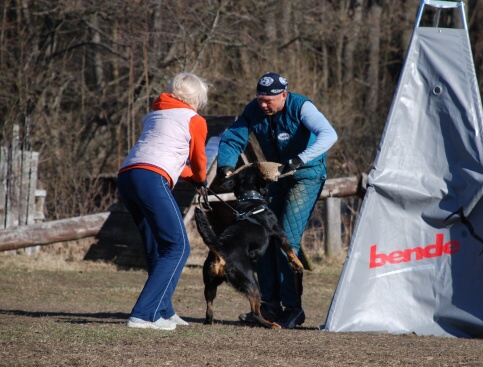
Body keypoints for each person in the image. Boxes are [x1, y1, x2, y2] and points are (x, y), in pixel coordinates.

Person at [217, 71, 338, 329]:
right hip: (278, 176)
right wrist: (226, 164)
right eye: (260, 99)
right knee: (264, 236)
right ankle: (269, 305)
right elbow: (234, 137)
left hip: (306, 175)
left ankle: (293, 309)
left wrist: (300, 159)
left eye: (269, 100)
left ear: (284, 94)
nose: (263, 105)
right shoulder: (255, 109)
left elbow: (329, 134)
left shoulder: (302, 107)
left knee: (286, 239)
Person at [117, 72, 210, 330]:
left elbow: (168, 156)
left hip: (127, 176)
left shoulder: (155, 115)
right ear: (197, 98)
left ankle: (164, 310)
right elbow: (198, 161)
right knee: (178, 247)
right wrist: (200, 179)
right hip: (151, 178)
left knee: (157, 247)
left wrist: (189, 176)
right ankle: (144, 315)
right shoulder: (195, 120)